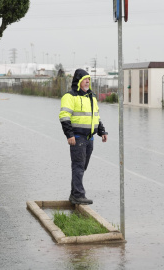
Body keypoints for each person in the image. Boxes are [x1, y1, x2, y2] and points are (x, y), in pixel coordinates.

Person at [59, 68, 108, 205]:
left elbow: (96, 117)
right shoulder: (70, 97)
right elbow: (64, 117)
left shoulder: (92, 97)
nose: (87, 81)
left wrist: (102, 132)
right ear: (79, 80)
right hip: (77, 137)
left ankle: (74, 193)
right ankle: (78, 195)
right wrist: (69, 134)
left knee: (82, 166)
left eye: (89, 79)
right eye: (85, 79)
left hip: (89, 138)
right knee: (78, 166)